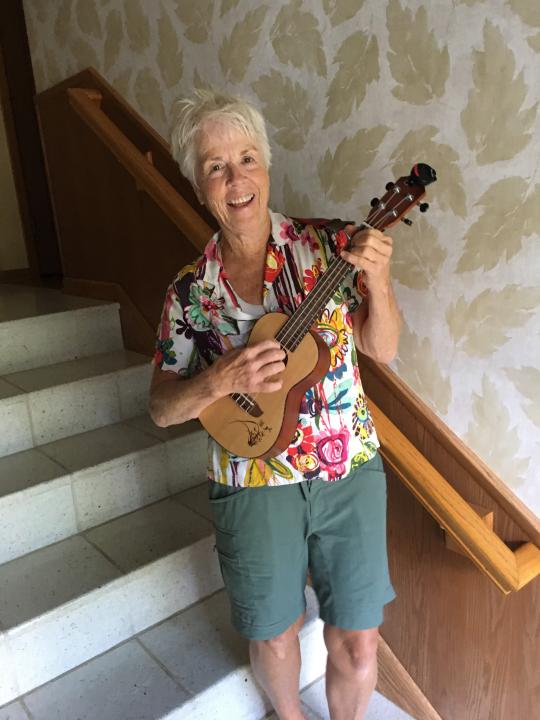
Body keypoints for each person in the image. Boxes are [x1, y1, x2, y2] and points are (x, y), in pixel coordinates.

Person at [149, 89, 401, 720]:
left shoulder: (331, 248)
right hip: (251, 476)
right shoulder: (189, 292)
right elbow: (160, 409)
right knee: (272, 630)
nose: (236, 178)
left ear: (266, 164)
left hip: (348, 465)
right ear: (198, 183)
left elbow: (382, 348)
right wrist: (218, 380)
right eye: (215, 165)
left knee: (358, 635)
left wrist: (382, 281)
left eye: (246, 157)